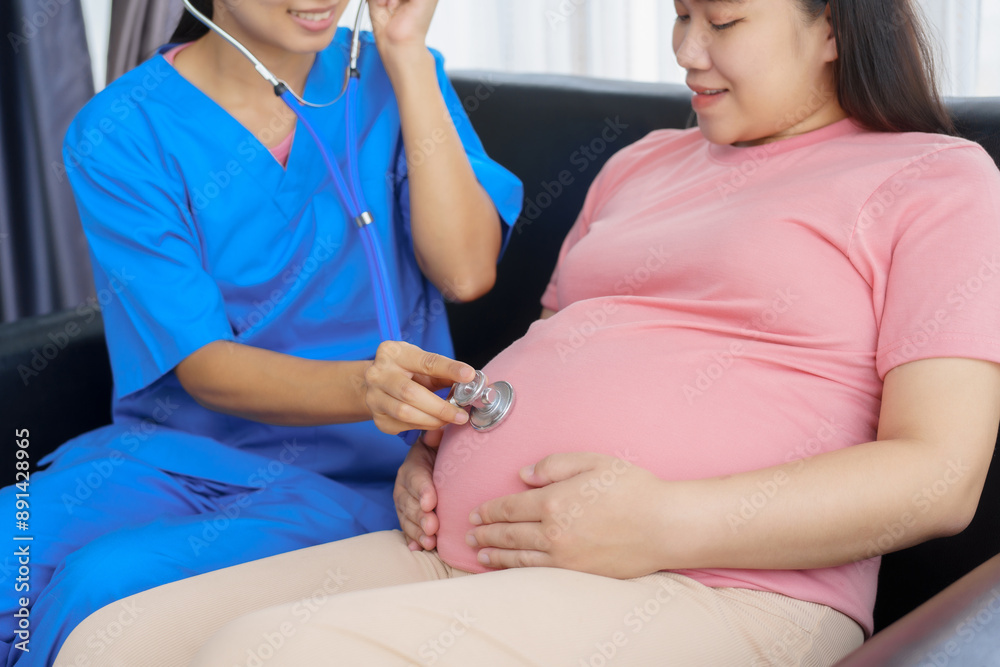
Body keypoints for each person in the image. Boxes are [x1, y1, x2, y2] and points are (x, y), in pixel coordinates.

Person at [55, 0, 1000, 664]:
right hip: (460, 543)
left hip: (713, 580)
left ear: (832, 24)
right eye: (679, 17)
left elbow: (938, 477)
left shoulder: (934, 180)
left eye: (723, 22)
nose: (687, 51)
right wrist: (443, 447)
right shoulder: (643, 163)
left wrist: (662, 520)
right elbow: (543, 353)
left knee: (271, 656)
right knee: (112, 644)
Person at [0, 0, 522, 664]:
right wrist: (368, 384)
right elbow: (205, 363)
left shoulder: (394, 76)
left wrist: (408, 55)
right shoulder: (121, 131)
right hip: (181, 456)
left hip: (368, 474)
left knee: (99, 586)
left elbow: (466, 270)